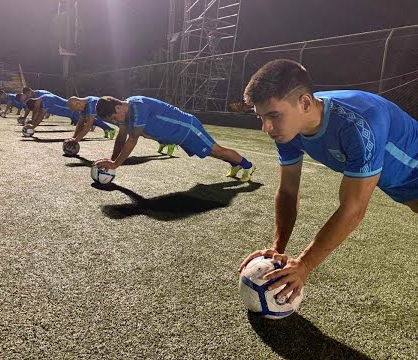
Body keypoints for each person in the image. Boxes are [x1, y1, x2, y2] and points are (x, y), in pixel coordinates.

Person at [239, 59, 418, 304]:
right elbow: (288, 191)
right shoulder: (288, 129)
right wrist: (277, 249)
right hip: (397, 181)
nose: (266, 127)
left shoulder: (358, 123)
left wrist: (303, 265)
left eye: (273, 115)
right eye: (261, 117)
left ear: (304, 103)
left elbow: (352, 209)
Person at [93, 96, 256, 182]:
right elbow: (121, 136)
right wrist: (112, 159)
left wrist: (115, 164)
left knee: (216, 150)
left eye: (115, 117)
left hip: (187, 128)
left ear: (118, 107)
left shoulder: (138, 106)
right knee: (212, 153)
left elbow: (132, 139)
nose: (116, 121)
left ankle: (247, 166)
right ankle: (235, 164)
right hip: (179, 137)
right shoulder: (126, 114)